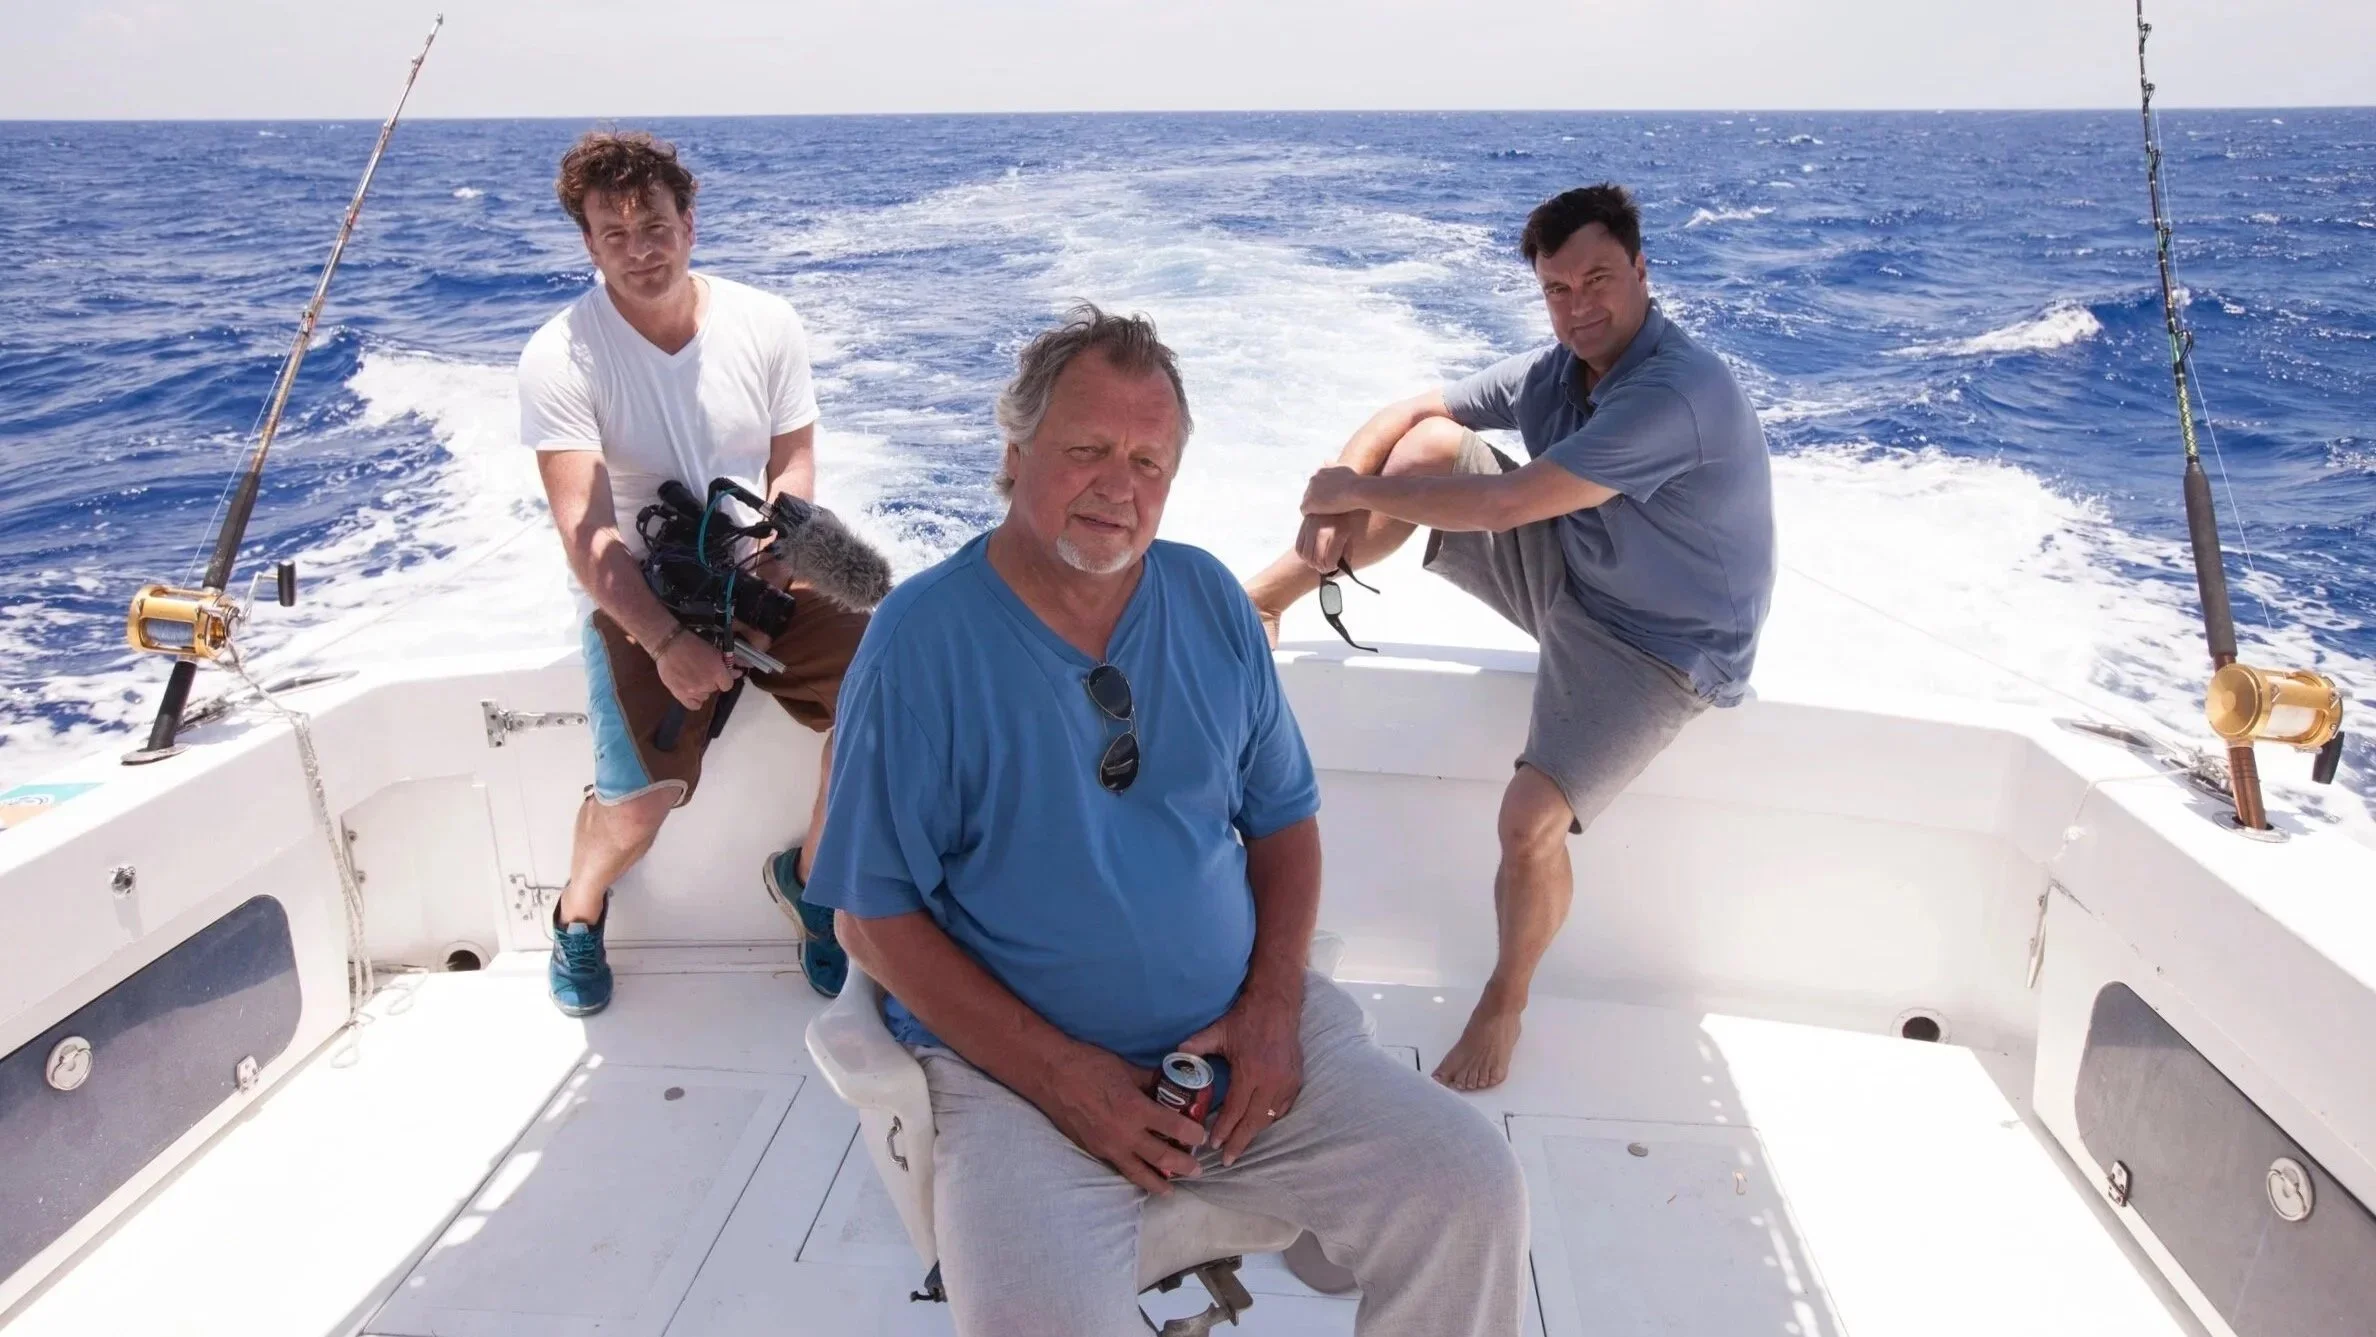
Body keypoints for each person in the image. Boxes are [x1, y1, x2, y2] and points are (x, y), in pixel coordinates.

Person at [803, 305, 1529, 1335]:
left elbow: (1283, 821)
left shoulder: (1212, 602)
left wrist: (1274, 1004)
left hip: (1241, 1038)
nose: (1119, 484)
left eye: (1150, 460)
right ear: (1014, 456)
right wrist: (1066, 1080)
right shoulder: (920, 642)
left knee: (1470, 1187)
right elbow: (869, 919)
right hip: (1016, 1079)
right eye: (1087, 448)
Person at [1246, 183, 1776, 1091]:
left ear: (1645, 271)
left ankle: (1506, 997)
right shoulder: (1555, 371)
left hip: (1660, 646)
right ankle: (1264, 599)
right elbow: (1414, 409)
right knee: (1425, 450)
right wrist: (1333, 489)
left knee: (1528, 822)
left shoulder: (1677, 392)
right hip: (1575, 571)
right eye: (1558, 289)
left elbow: (1509, 501)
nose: (1579, 307)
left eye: (1599, 280)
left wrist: (1350, 492)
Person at [518, 129, 866, 1017]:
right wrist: (667, 640)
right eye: (615, 234)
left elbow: (792, 469)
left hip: (757, 561)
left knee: (893, 698)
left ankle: (812, 881)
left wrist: (774, 565)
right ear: (589, 245)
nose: (640, 250)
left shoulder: (767, 323)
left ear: (690, 224)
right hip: (641, 590)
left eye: (655, 226)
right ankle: (579, 907)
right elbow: (586, 536)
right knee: (640, 802)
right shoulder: (560, 355)